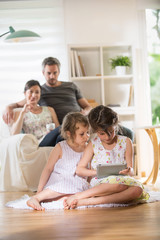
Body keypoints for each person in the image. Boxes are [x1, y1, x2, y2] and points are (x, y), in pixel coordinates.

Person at [63, 105, 149, 209]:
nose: (107, 137)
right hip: (101, 183)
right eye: (102, 133)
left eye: (111, 132)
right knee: (118, 185)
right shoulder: (93, 144)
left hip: (122, 181)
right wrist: (97, 172)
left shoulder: (126, 142)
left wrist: (128, 170)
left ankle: (87, 202)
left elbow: (131, 171)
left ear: (116, 126)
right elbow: (79, 170)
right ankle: (78, 196)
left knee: (137, 190)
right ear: (95, 131)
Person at [26, 112, 90, 210]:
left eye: (87, 132)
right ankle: (36, 198)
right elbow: (48, 169)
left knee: (81, 190)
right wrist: (39, 190)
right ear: (69, 134)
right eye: (82, 134)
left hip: (77, 183)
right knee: (63, 185)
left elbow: (89, 170)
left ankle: (62, 200)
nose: (87, 136)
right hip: (60, 181)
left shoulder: (87, 148)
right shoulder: (60, 147)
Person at [9, 80, 60, 144]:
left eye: (37, 92)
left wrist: (52, 132)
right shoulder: (20, 112)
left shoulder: (50, 110)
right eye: (31, 92)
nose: (34, 95)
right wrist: (22, 113)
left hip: (51, 139)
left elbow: (58, 130)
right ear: (25, 93)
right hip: (35, 143)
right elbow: (14, 134)